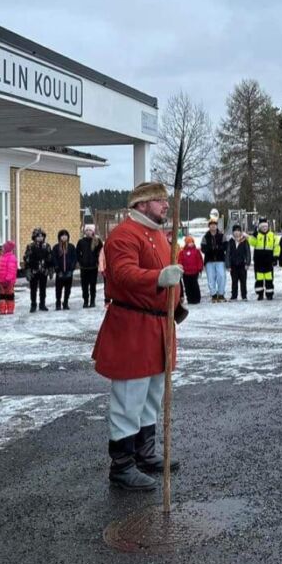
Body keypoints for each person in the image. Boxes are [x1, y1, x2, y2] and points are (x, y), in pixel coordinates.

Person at [91, 181, 184, 491]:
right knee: (129, 397)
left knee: (151, 396)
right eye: (159, 201)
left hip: (157, 327)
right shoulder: (123, 236)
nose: (165, 205)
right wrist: (159, 277)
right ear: (142, 204)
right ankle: (122, 465)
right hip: (132, 326)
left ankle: (144, 454)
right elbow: (123, 274)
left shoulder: (158, 235)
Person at [248, 217, 280, 301]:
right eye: (262, 227)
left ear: (268, 227)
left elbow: (276, 246)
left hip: (269, 261)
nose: (264, 228)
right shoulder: (257, 235)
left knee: (269, 279)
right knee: (259, 279)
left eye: (265, 227)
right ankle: (260, 294)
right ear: (259, 227)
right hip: (259, 261)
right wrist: (254, 237)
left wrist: (276, 257)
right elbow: (252, 243)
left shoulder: (272, 235)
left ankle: (269, 294)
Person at [23, 227, 53, 312]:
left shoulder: (47, 246)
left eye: (41, 236)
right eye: (38, 236)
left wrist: (50, 269)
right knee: (33, 289)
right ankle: (33, 304)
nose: (40, 238)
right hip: (34, 271)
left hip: (44, 271)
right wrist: (28, 270)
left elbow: (50, 258)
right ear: (34, 237)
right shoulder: (30, 246)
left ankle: (42, 304)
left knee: (43, 289)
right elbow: (27, 259)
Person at [76, 225, 103, 308]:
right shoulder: (81, 242)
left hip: (93, 267)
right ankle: (85, 301)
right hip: (84, 268)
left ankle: (92, 301)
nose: (88, 232)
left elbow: (101, 253)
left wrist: (97, 262)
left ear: (93, 231)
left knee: (92, 285)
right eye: (87, 230)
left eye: (90, 230)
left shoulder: (97, 241)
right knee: (84, 286)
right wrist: (80, 261)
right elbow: (77, 253)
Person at [201, 220, 228, 302]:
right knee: (211, 278)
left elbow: (226, 246)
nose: (213, 226)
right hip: (209, 260)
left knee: (222, 276)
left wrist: (218, 248)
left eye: (214, 225)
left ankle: (221, 294)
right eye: (211, 225)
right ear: (209, 226)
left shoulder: (222, 235)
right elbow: (203, 248)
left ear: (217, 226)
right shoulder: (205, 236)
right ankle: (213, 294)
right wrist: (210, 249)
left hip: (220, 259)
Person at [52, 229, 77, 310]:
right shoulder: (56, 247)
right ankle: (58, 303)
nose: (64, 237)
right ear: (59, 237)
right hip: (60, 272)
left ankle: (65, 302)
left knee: (67, 289)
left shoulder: (71, 247)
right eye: (62, 235)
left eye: (65, 235)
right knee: (58, 289)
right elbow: (54, 259)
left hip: (69, 272)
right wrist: (57, 269)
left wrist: (72, 269)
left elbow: (74, 258)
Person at [227, 225, 251, 301]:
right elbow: (228, 253)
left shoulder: (244, 241)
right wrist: (228, 265)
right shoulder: (230, 241)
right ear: (233, 232)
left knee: (243, 281)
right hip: (233, 265)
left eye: (238, 231)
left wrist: (247, 263)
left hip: (242, 265)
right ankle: (234, 296)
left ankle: (244, 296)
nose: (237, 232)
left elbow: (248, 253)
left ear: (241, 232)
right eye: (235, 231)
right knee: (234, 281)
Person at [179, 236, 204, 305]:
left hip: (194, 272)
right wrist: (180, 267)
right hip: (186, 273)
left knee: (195, 285)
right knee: (187, 286)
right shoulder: (182, 252)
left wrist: (200, 268)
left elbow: (200, 260)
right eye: (189, 242)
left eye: (192, 242)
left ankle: (197, 298)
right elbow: (180, 261)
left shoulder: (196, 251)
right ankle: (190, 299)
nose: (190, 244)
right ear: (186, 243)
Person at [0, 240, 18, 315]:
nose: (2, 249)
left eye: (3, 247)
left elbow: (11, 270)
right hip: (1, 281)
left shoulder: (11, 258)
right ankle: (2, 310)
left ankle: (10, 309)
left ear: (7, 249)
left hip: (9, 282)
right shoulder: (1, 257)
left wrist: (8, 280)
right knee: (1, 296)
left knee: (9, 295)